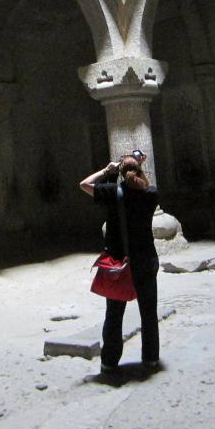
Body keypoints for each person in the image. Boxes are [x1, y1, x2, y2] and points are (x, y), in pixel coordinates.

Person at [79, 155, 160, 372]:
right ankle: (151, 359)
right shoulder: (151, 194)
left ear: (121, 172)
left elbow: (84, 184)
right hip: (145, 260)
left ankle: (109, 362)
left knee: (114, 314)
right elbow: (142, 185)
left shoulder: (113, 193)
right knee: (149, 312)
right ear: (139, 171)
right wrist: (137, 168)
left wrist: (107, 170)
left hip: (120, 263)